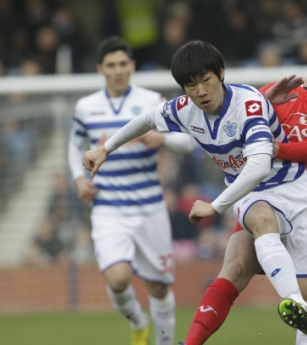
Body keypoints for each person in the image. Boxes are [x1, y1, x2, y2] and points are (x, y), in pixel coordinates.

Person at [82, 40, 307, 345]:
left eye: (206, 80)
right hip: (252, 193)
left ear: (221, 74)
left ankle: (303, 303)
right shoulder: (185, 110)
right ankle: (292, 300)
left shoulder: (249, 105)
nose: (200, 91)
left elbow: (258, 165)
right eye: (191, 85)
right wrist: (106, 149)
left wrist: (215, 206)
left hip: (297, 190)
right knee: (262, 219)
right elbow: (147, 119)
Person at [182, 16, 307, 345]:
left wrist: (269, 148)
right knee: (234, 266)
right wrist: (266, 96)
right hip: (264, 200)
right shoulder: (278, 96)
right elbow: (237, 117)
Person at [68, 36, 194, 345]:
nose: (118, 70)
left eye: (123, 63)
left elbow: (188, 142)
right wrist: (77, 178)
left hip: (150, 207)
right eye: (111, 65)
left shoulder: (152, 101)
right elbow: (74, 146)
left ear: (132, 66)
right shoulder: (86, 107)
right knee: (118, 278)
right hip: (108, 208)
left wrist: (161, 139)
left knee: (158, 288)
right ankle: (137, 322)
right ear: (101, 69)